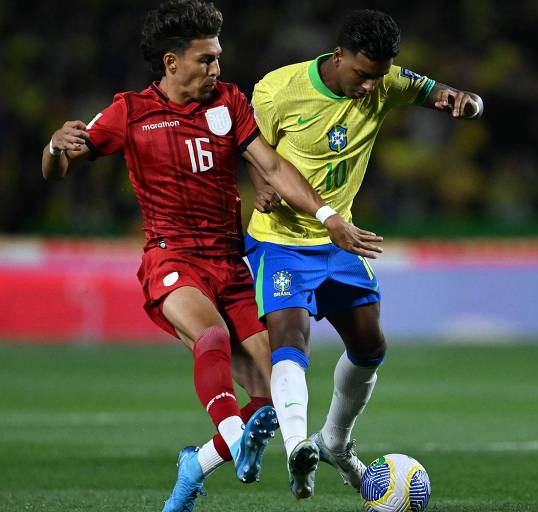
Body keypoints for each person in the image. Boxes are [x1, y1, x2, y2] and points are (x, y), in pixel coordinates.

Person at [40, 1, 383, 511]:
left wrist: (329, 216)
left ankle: (195, 465)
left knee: (276, 395)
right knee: (213, 334)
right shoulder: (129, 112)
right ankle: (229, 431)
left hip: (231, 261)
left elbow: (273, 165)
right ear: (172, 62)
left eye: (218, 57)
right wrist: (53, 147)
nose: (217, 69)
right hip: (171, 257)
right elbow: (59, 167)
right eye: (206, 59)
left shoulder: (228, 102)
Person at [242, 8, 483, 499]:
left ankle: (333, 439)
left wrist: (465, 101)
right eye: (362, 75)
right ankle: (295, 446)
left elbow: (440, 93)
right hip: (280, 240)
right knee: (290, 334)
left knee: (371, 346)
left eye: (378, 77)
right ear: (338, 56)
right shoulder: (277, 89)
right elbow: (251, 148)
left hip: (340, 239)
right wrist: (260, 185)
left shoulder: (388, 81)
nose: (370, 87)